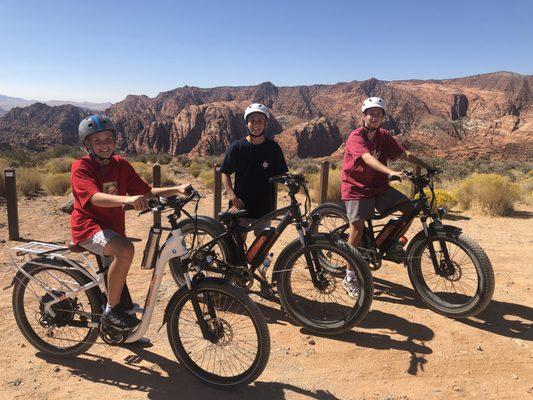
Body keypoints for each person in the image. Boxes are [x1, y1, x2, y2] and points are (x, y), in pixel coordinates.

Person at [70, 114, 191, 332]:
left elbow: (147, 192)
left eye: (108, 139)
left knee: (120, 262)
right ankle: (110, 312)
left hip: (112, 230)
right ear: (87, 144)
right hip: (88, 227)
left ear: (115, 140)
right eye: (97, 141)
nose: (104, 145)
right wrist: (127, 199)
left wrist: (177, 189)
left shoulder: (121, 165)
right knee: (125, 250)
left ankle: (123, 327)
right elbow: (93, 197)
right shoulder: (81, 167)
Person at [341, 97, 436, 298]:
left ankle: (390, 244)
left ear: (383, 117)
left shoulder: (384, 135)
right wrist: (389, 172)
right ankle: (349, 275)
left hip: (379, 187)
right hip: (357, 189)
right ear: (363, 116)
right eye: (371, 113)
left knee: (409, 209)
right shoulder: (356, 136)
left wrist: (428, 167)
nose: (374, 117)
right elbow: (367, 158)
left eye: (379, 114)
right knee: (357, 228)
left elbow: (404, 154)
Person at [220, 103, 288, 241]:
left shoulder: (273, 148)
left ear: (266, 123)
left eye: (260, 121)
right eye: (252, 121)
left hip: (264, 208)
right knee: (236, 248)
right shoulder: (237, 147)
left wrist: (292, 182)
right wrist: (233, 197)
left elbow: (282, 174)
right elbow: (225, 173)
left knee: (261, 249)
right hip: (239, 207)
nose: (256, 125)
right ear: (246, 123)